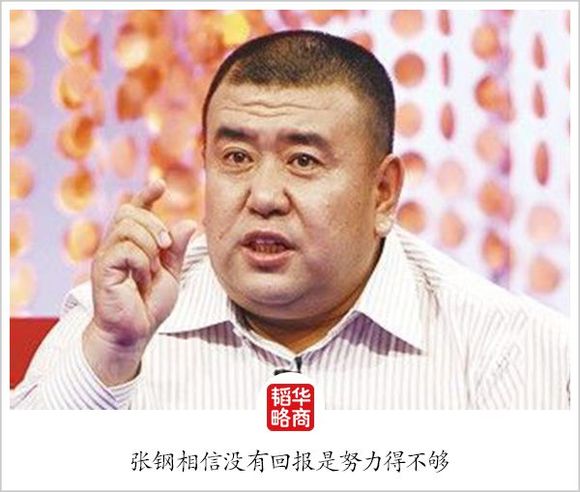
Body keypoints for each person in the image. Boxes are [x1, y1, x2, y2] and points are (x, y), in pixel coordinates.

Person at [11, 30, 569, 410]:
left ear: (382, 193)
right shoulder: (114, 319)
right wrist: (112, 354)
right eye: (236, 158)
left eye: (303, 161)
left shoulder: (507, 346)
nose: (263, 196)